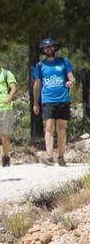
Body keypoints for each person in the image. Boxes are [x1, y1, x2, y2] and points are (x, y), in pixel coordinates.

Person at [32, 37, 75, 166]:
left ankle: (61, 157)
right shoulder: (40, 66)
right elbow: (37, 85)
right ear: (43, 50)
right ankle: (50, 156)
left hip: (63, 99)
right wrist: (35, 102)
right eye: (46, 47)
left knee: (61, 129)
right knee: (49, 128)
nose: (49, 48)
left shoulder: (63, 62)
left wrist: (71, 82)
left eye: (51, 46)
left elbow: (72, 78)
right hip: (48, 100)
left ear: (55, 48)